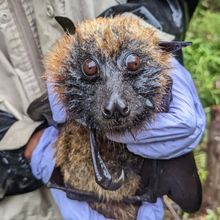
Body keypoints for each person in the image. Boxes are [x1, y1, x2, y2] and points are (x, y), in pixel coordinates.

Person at [0, 0, 203, 219]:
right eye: (90, 70)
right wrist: (23, 144)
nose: (115, 104)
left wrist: (150, 23)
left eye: (133, 65)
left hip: (140, 183)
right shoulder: (61, 93)